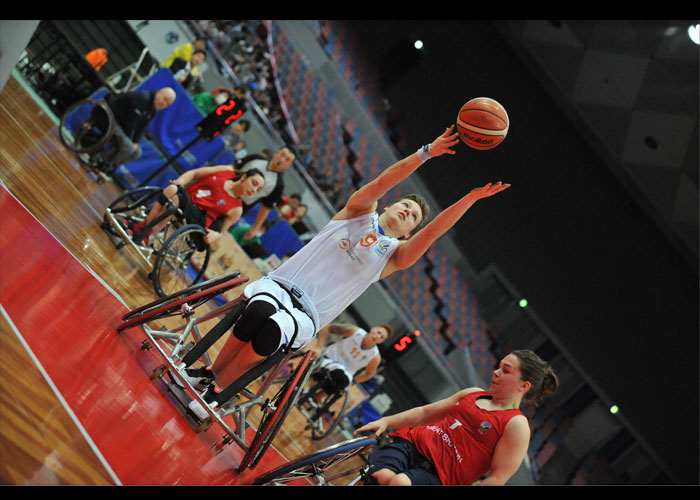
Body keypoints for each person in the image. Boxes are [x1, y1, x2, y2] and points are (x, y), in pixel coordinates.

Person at [183, 125, 510, 417]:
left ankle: (216, 391)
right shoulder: (357, 212)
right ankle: (209, 373)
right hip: (282, 284)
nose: (407, 212)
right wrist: (426, 153)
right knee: (257, 312)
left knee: (269, 330)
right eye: (405, 206)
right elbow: (384, 181)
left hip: (309, 313)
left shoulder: (394, 256)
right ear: (388, 205)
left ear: (409, 232)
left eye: (412, 217)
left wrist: (470, 198)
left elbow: (433, 233)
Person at [353, 350, 559, 486]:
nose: (495, 373)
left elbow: (497, 479)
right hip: (410, 446)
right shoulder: (473, 393)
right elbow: (425, 413)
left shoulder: (516, 425)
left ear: (523, 386)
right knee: (380, 477)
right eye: (499, 366)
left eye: (505, 371)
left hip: (439, 477)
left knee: (400, 483)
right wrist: (385, 421)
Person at [130, 164, 265, 246]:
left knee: (175, 200)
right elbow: (194, 173)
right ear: (243, 177)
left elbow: (220, 232)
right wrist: (180, 181)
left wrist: (215, 235)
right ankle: (144, 226)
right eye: (254, 183)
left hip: (197, 217)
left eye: (258, 190)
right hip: (187, 198)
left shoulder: (237, 209)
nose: (254, 190)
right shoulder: (225, 171)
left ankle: (148, 233)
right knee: (172, 189)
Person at [89, 87, 176, 175]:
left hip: (120, 126)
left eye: (167, 104)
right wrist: (130, 141)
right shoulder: (143, 98)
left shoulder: (152, 111)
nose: (164, 104)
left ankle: (108, 164)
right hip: (108, 117)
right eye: (165, 99)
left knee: (137, 153)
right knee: (128, 146)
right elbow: (130, 123)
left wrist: (136, 142)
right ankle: (99, 159)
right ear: (159, 92)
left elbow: (142, 129)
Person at [307, 322, 392, 395]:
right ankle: (312, 388)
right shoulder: (354, 331)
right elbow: (327, 328)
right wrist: (319, 347)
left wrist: (354, 382)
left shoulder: (375, 357)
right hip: (330, 358)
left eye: (381, 337)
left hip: (345, 374)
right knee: (338, 373)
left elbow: (369, 373)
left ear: (381, 341)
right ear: (373, 329)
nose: (378, 336)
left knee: (344, 382)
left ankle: (318, 396)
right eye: (378, 332)